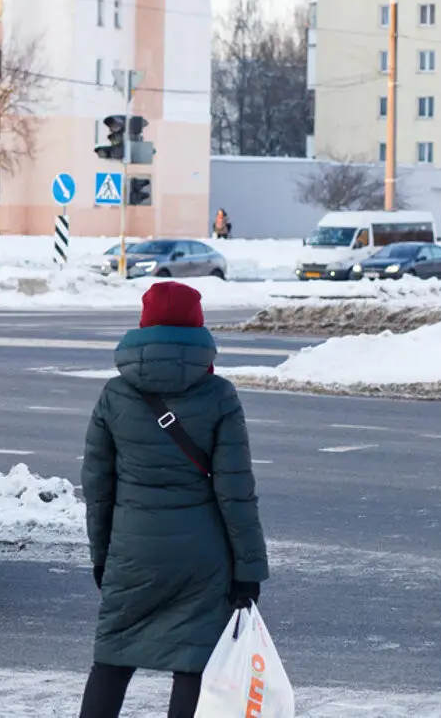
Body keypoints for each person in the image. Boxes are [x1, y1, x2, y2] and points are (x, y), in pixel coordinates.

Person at [78, 281, 268, 718]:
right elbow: (237, 492)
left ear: (143, 327)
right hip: (202, 558)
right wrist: (249, 570)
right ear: (198, 327)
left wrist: (102, 557)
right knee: (194, 662)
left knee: (113, 657)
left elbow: (98, 487)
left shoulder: (115, 394)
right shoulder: (219, 396)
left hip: (133, 550)